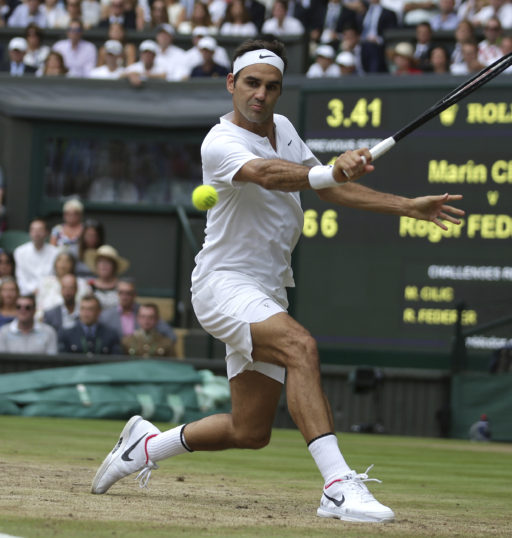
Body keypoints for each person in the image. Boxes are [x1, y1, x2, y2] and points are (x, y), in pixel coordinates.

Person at [90, 38, 464, 524]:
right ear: (231, 84)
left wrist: (405, 206)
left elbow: (329, 187)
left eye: (271, 86)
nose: (260, 94)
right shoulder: (219, 141)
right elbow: (269, 175)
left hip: (267, 288)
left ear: (280, 91)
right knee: (300, 347)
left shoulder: (282, 128)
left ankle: (146, 446)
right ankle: (337, 487)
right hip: (224, 284)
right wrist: (328, 169)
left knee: (249, 430)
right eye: (251, 83)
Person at [100, 278, 175, 341]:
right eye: (121, 293)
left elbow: (171, 336)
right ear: (117, 294)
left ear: (135, 294)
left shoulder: (145, 312)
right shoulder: (106, 316)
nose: (124, 297)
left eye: (128, 293)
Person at [36, 250, 91, 315]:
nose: (63, 264)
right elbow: (39, 306)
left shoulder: (82, 283)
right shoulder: (45, 282)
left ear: (72, 265)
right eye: (60, 260)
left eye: (67, 261)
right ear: (55, 264)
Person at [14, 218, 58, 296]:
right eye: (33, 230)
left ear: (47, 232)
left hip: (49, 292)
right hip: (26, 293)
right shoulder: (20, 252)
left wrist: (44, 289)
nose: (36, 233)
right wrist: (32, 290)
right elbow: (20, 277)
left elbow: (54, 276)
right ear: (30, 232)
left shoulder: (55, 252)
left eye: (40, 230)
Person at [84, 244, 129, 310]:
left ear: (114, 266)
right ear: (96, 265)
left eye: (108, 262)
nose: (103, 265)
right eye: (100, 261)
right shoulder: (88, 286)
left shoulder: (122, 287)